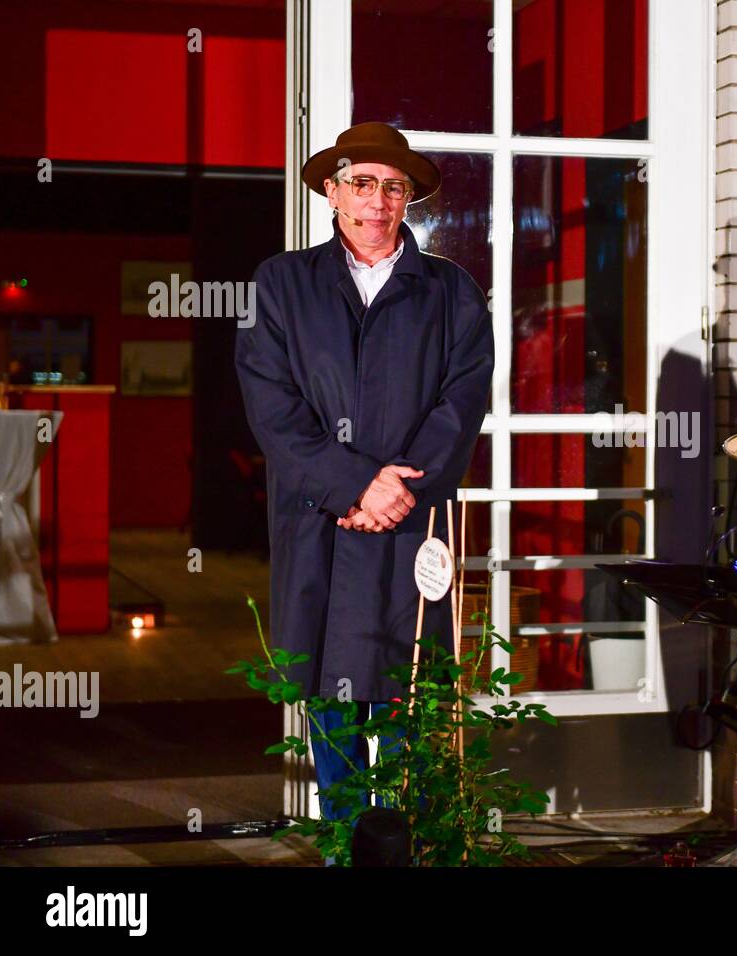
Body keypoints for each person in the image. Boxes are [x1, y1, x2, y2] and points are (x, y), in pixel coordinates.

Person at [235, 122, 493, 822]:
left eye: (393, 186)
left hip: (412, 526)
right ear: (330, 189)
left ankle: (408, 843)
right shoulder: (282, 284)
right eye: (361, 182)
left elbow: (462, 400)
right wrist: (353, 485)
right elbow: (273, 406)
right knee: (333, 694)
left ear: (408, 199)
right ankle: (348, 844)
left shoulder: (451, 292)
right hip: (323, 520)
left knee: (409, 687)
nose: (377, 200)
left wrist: (396, 491)